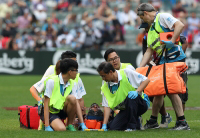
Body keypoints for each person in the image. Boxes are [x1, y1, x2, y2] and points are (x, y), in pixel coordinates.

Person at [137, 3, 190, 130]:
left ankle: (182, 122)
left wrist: (172, 42)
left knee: (171, 90)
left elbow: (180, 25)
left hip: (174, 59)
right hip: (164, 62)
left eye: (141, 17)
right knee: (159, 91)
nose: (142, 20)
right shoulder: (150, 31)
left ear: (145, 13)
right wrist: (139, 69)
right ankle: (154, 121)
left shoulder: (162, 17)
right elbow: (149, 52)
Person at [97, 62, 150, 131]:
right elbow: (106, 106)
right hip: (126, 109)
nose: (103, 79)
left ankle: (132, 127)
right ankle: (137, 122)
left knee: (131, 96)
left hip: (141, 104)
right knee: (114, 127)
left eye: (104, 76)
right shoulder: (105, 87)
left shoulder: (126, 72)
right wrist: (104, 125)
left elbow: (146, 80)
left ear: (110, 72)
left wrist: (137, 91)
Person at [41, 58, 87, 131]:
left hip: (61, 109)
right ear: (70, 72)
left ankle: (69, 125)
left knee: (72, 98)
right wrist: (47, 125)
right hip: (51, 112)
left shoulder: (72, 83)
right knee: (61, 129)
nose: (77, 73)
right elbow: (46, 103)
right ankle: (48, 125)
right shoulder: (51, 81)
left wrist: (82, 124)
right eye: (76, 71)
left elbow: (76, 103)